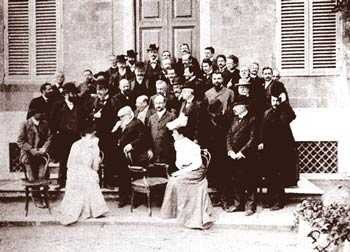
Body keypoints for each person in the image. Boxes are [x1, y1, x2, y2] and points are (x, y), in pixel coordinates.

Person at [160, 120, 215, 230]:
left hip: (197, 170)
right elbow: (179, 162)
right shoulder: (178, 143)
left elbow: (197, 164)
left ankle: (188, 213)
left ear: (181, 134)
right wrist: (181, 168)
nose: (172, 135)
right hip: (187, 169)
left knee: (178, 181)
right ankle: (174, 211)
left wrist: (181, 172)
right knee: (173, 180)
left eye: (174, 133)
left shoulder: (192, 146)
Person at [59, 123, 108, 225]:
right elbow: (95, 167)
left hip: (75, 171)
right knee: (89, 180)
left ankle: (86, 209)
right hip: (80, 171)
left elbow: (70, 164)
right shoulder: (93, 146)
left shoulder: (76, 144)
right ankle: (93, 209)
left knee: (85, 180)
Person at [258, 85, 298, 210]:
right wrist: (261, 142)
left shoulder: (284, 112)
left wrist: (284, 103)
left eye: (277, 101)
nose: (275, 103)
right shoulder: (267, 113)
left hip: (281, 150)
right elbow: (262, 130)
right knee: (269, 176)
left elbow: (291, 116)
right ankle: (270, 200)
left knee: (279, 177)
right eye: (273, 101)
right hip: (269, 150)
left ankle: (278, 202)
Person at [112, 106, 153, 207]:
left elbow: (144, 138)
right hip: (122, 156)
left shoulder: (137, 123)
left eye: (122, 116)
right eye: (119, 117)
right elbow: (115, 139)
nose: (120, 119)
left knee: (135, 177)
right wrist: (115, 129)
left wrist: (132, 145)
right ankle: (123, 198)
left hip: (135, 156)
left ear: (130, 114)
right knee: (122, 177)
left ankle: (137, 200)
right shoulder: (122, 123)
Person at [224, 95, 258, 216]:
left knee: (249, 181)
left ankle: (250, 206)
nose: (234, 108)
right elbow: (228, 135)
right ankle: (238, 204)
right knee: (236, 180)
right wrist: (230, 151)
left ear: (244, 106)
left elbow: (252, 139)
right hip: (234, 155)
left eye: (237, 106)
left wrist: (241, 152)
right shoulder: (234, 119)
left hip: (246, 156)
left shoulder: (252, 119)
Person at [50, 82, 82, 188]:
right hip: (63, 137)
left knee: (76, 159)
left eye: (74, 93)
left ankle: (75, 182)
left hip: (76, 137)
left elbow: (83, 119)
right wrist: (57, 133)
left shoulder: (79, 105)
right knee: (64, 160)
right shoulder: (58, 105)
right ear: (66, 94)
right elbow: (52, 121)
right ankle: (62, 181)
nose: (74, 96)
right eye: (72, 94)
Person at [18, 111, 52, 182]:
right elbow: (20, 141)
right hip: (28, 156)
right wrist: (30, 149)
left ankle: (42, 192)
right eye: (38, 111)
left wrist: (44, 148)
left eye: (41, 111)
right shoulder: (25, 124)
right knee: (32, 180)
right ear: (33, 112)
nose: (40, 113)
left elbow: (49, 138)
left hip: (41, 156)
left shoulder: (45, 124)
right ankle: (35, 192)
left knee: (42, 177)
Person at [148, 95, 176, 164]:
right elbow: (148, 135)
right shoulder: (151, 118)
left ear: (164, 103)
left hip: (167, 151)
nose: (158, 105)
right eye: (156, 103)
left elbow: (176, 133)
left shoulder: (171, 116)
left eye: (160, 103)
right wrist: (149, 149)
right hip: (154, 151)